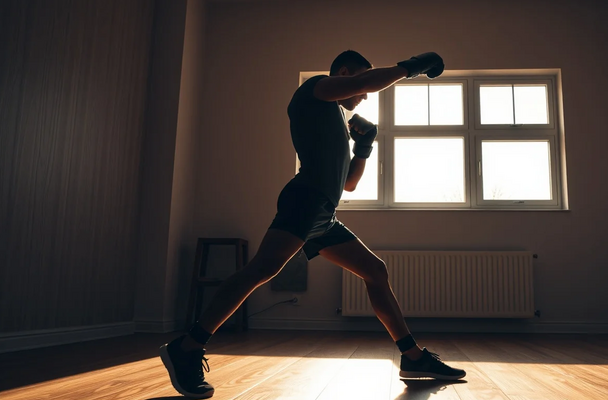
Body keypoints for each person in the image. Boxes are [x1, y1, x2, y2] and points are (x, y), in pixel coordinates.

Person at [159, 50, 465, 399]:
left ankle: (412, 358)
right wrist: (415, 66)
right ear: (345, 73)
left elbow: (348, 183)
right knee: (262, 269)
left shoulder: (333, 115)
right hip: (305, 201)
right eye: (358, 84)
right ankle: (186, 347)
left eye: (363, 89)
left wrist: (363, 146)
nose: (363, 95)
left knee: (375, 272)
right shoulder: (315, 89)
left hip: (324, 213)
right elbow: (365, 82)